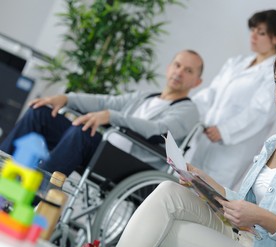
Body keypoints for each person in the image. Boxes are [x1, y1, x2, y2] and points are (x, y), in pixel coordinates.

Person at [109, 42, 276, 247]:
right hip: (240, 233)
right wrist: (205, 181)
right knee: (168, 191)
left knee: (162, 229)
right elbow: (244, 204)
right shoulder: (275, 141)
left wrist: (261, 217)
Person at [0, 50, 203, 177]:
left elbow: (158, 130)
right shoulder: (146, 96)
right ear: (168, 68)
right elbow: (105, 101)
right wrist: (66, 98)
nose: (179, 72)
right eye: (177, 65)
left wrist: (111, 116)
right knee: (42, 112)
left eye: (189, 71)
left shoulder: (188, 110)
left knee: (82, 131)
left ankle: (35, 193)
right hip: (103, 148)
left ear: (197, 82)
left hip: (129, 166)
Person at [188, 9, 276, 189]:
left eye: (261, 32)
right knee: (182, 187)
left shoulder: (274, 74)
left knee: (206, 199)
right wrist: (186, 108)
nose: (254, 36)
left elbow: (259, 113)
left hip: (231, 150)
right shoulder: (236, 63)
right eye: (253, 30)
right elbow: (211, 93)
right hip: (204, 139)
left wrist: (225, 130)